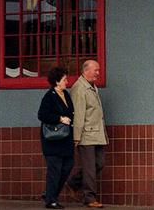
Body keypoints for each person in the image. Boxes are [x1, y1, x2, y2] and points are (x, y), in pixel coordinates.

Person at [66, 60, 108, 208]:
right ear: (86, 70)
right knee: (90, 168)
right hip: (86, 135)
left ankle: (73, 183)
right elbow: (78, 114)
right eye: (95, 70)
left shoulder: (92, 87)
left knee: (99, 163)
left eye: (98, 70)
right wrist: (76, 137)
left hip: (97, 134)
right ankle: (89, 198)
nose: (98, 73)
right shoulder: (79, 88)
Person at [37, 65, 75, 210]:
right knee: (55, 170)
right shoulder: (49, 96)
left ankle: (50, 193)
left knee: (68, 166)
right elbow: (42, 115)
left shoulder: (66, 95)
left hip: (66, 138)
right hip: (53, 140)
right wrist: (60, 118)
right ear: (57, 81)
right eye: (65, 79)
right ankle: (51, 200)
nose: (67, 81)